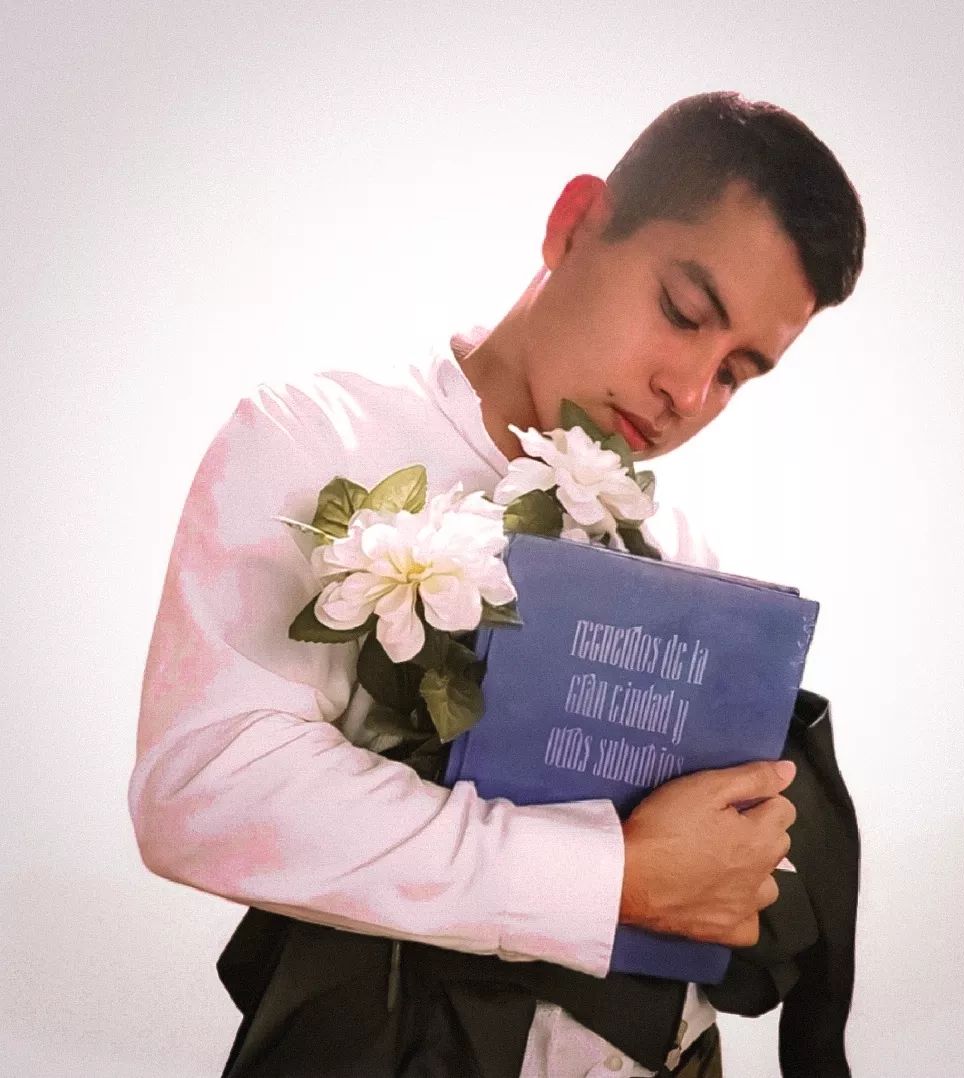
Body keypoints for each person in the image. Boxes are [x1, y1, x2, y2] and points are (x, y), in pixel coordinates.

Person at [129, 91, 865, 1077]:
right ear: (575, 223)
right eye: (684, 314)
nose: (688, 393)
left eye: (735, 372)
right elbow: (211, 789)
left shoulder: (679, 548)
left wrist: (752, 855)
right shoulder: (313, 441)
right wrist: (608, 878)